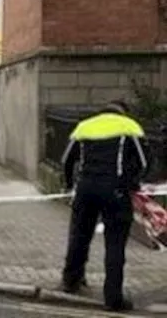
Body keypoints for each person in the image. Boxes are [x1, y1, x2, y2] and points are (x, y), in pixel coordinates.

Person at [60, 100, 148, 312]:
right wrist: (133, 183)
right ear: (124, 112)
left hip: (85, 189)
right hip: (115, 191)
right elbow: (144, 161)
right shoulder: (129, 126)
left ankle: (71, 281)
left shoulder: (84, 126)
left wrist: (70, 184)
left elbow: (66, 160)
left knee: (79, 236)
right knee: (115, 244)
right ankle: (113, 298)